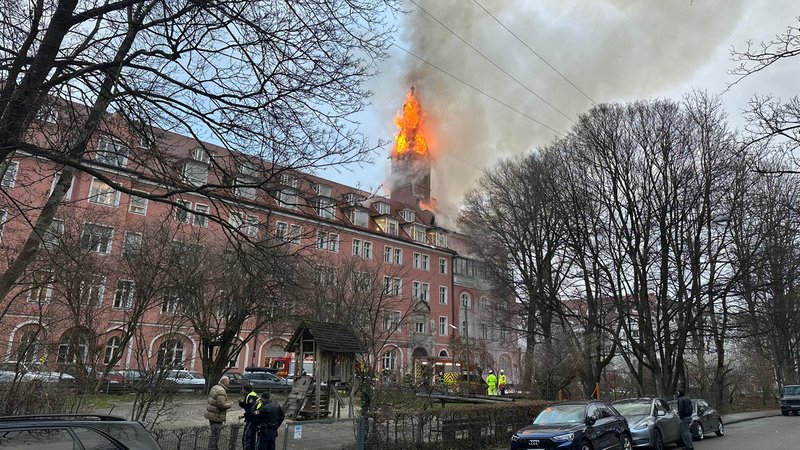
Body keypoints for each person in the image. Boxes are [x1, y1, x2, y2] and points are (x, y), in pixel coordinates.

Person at [204, 376, 233, 450]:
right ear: (225, 382)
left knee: (213, 434)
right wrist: (230, 404)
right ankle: (212, 448)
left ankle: (214, 447)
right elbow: (221, 405)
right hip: (216, 416)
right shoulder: (221, 391)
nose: (229, 384)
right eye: (228, 382)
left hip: (211, 414)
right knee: (215, 435)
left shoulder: (215, 387)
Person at [239, 382, 259, 450]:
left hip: (253, 419)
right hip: (252, 418)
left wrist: (245, 415)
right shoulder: (250, 395)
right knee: (251, 437)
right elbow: (247, 406)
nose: (242, 391)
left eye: (242, 389)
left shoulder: (251, 396)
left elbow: (251, 409)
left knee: (247, 436)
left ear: (245, 389)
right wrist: (241, 403)